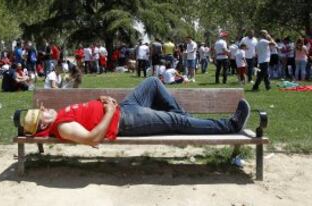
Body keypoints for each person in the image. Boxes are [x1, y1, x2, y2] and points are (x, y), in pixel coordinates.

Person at [19, 77, 251, 145]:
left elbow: (87, 112)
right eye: (42, 113)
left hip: (125, 108)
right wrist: (109, 111)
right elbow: (92, 139)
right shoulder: (63, 127)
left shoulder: (59, 116)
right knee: (174, 121)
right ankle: (230, 125)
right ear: (43, 125)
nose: (45, 109)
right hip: (126, 121)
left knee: (152, 82)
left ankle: (185, 120)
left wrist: (100, 100)